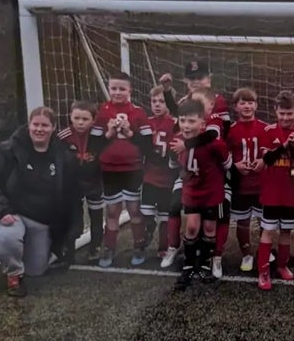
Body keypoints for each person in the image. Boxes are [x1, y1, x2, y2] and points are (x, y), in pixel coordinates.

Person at [0, 106, 77, 297]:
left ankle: (27, 248)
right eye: (35, 124)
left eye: (45, 125)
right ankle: (13, 274)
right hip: (13, 214)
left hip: (42, 221)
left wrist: (67, 238)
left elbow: (71, 198)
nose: (39, 129)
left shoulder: (64, 155)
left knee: (36, 271)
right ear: (29, 125)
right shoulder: (8, 150)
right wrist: (2, 211)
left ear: (53, 128)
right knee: (7, 237)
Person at [90, 72, 152, 268]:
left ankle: (139, 246)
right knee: (112, 211)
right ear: (109, 89)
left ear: (130, 90)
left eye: (122, 89)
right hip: (109, 171)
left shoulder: (139, 112)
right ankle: (109, 248)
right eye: (114, 88)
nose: (117, 92)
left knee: (134, 209)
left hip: (133, 169)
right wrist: (108, 133)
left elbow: (148, 145)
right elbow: (94, 144)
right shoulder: (102, 111)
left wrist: (129, 133)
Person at [171, 97, 230, 289]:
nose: (186, 125)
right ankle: (188, 266)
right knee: (191, 228)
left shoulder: (214, 144)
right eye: (183, 120)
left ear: (202, 123)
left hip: (212, 193)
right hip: (192, 192)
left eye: (191, 121)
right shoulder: (177, 143)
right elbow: (175, 165)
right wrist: (184, 172)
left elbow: (227, 164)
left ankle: (204, 265)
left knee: (210, 229)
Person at [256, 91, 294, 291]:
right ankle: (263, 271)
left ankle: (282, 266)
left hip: (291, 193)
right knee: (268, 231)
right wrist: (285, 146)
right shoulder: (268, 132)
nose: (285, 118)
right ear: (275, 111)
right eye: (282, 113)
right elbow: (263, 163)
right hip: (271, 193)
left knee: (286, 232)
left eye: (289, 113)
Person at [140, 83, 182, 270]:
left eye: (162, 101)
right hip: (149, 177)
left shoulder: (174, 124)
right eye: (154, 101)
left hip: (168, 178)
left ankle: (164, 247)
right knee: (146, 215)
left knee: (165, 217)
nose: (157, 105)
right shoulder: (146, 123)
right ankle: (146, 234)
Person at [226, 87, 267, 273]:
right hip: (240, 186)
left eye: (250, 102)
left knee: (264, 222)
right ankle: (247, 254)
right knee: (242, 222)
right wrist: (235, 165)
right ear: (235, 107)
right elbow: (223, 155)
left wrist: (264, 161)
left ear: (256, 105)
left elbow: (271, 152)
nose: (247, 106)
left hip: (261, 185)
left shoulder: (265, 127)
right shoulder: (230, 131)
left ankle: (264, 252)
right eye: (242, 102)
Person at [57, 100, 101, 263]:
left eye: (85, 119)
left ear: (93, 120)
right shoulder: (63, 137)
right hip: (73, 184)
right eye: (76, 118)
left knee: (96, 215)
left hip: (94, 182)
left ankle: (95, 247)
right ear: (70, 117)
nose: (80, 122)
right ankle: (68, 249)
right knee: (74, 217)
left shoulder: (99, 135)